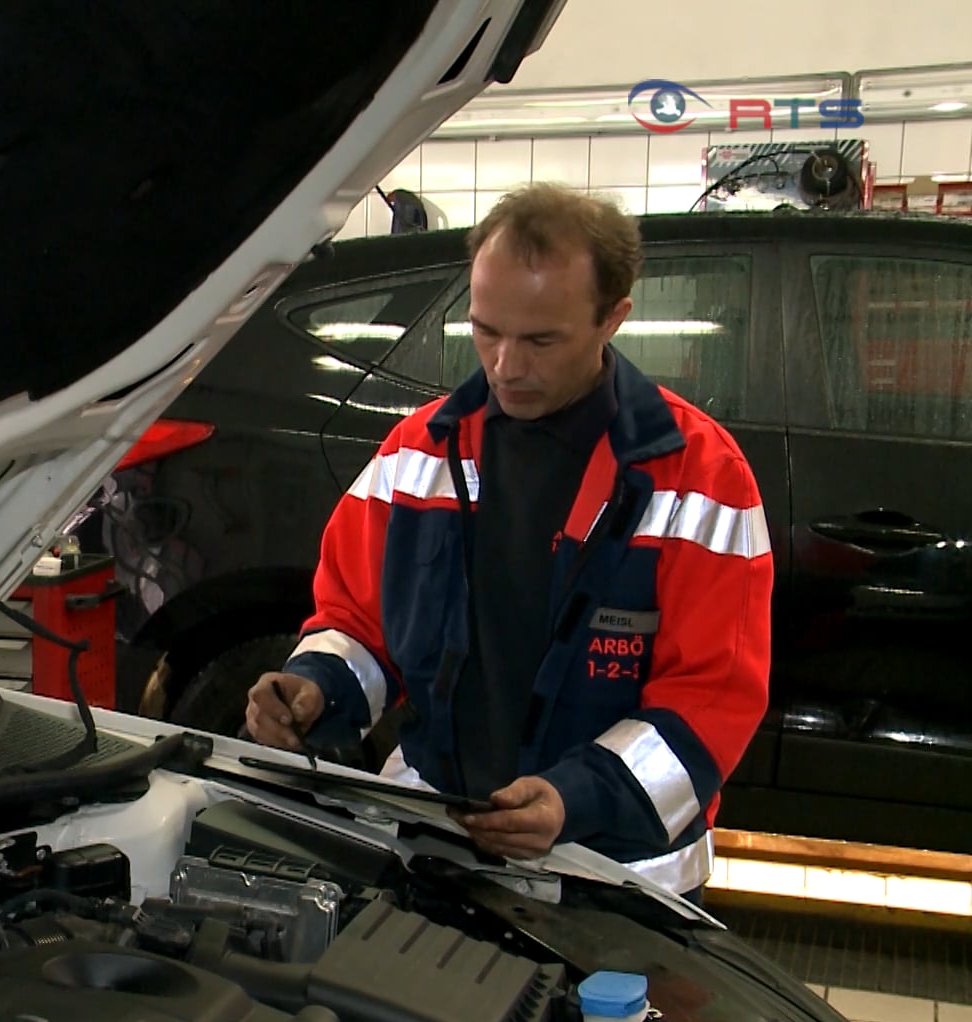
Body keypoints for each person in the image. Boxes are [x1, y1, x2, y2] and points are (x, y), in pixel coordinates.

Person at [244, 183, 771, 902]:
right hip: (434, 845)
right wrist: (315, 688)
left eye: (540, 340)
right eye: (485, 331)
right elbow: (359, 626)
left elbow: (711, 699)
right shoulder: (417, 454)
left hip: (610, 881)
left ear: (614, 317)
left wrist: (575, 799)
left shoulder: (699, 480)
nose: (505, 366)